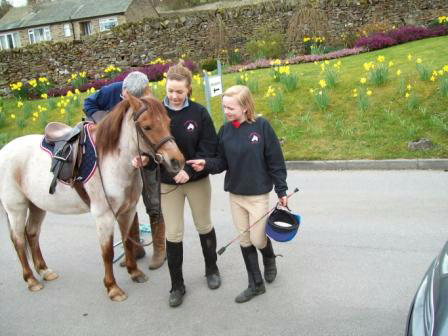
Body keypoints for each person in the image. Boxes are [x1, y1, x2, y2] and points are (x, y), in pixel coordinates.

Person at [187, 85, 288, 303]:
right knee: (244, 240)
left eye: (231, 108)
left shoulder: (261, 127)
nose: (226, 112)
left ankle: (269, 258)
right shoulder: (225, 131)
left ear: (245, 107)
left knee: (258, 239)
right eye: (224, 107)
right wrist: (205, 164)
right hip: (236, 195)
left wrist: (282, 190)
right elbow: (221, 162)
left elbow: (275, 160)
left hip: (258, 195)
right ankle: (256, 284)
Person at [134, 62, 221, 307]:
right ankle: (177, 285)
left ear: (188, 90)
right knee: (173, 233)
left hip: (196, 182)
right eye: (171, 90)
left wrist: (189, 171)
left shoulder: (199, 113)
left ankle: (212, 269)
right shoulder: (156, 111)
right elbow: (153, 148)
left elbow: (209, 149)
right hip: (167, 184)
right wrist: (145, 161)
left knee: (204, 225)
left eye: (179, 92)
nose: (174, 96)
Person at [83, 71, 166, 270]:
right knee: (128, 204)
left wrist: (150, 157)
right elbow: (88, 104)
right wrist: (107, 122)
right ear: (123, 90)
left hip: (146, 158)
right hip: (121, 161)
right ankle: (135, 248)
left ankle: (160, 249)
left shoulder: (149, 102)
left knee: (153, 203)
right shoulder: (113, 90)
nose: (125, 99)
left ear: (145, 92)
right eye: (124, 96)